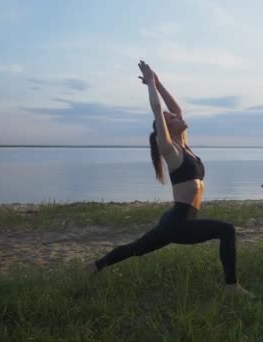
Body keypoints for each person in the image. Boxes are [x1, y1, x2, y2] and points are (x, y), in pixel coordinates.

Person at [87, 60, 253, 298]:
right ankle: (231, 288)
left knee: (136, 249)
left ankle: (95, 266)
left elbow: (176, 109)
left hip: (175, 220)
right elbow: (157, 108)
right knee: (227, 230)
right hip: (179, 224)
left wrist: (159, 81)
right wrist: (150, 84)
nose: (177, 117)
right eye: (171, 119)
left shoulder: (183, 145)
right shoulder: (170, 150)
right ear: (165, 128)